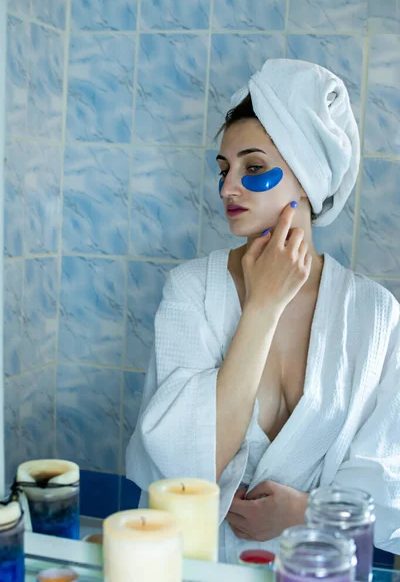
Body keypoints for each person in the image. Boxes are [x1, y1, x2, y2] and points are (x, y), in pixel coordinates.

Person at [126, 59, 400, 563]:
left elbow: (390, 483)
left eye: (253, 168)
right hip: (200, 566)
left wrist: (305, 510)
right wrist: (263, 307)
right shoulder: (191, 291)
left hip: (319, 567)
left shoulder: (375, 315)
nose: (227, 187)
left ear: (308, 180)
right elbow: (190, 468)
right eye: (223, 169)